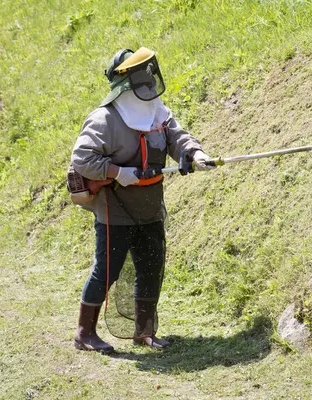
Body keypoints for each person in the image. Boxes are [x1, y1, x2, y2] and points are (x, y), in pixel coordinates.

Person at [70, 47, 214, 353]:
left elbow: (177, 137)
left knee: (151, 266)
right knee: (106, 270)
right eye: (142, 78)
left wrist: (195, 154)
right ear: (127, 83)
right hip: (115, 211)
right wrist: (116, 171)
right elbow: (82, 159)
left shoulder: (156, 111)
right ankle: (84, 333)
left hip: (150, 206)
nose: (149, 83)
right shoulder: (104, 119)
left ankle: (144, 332)